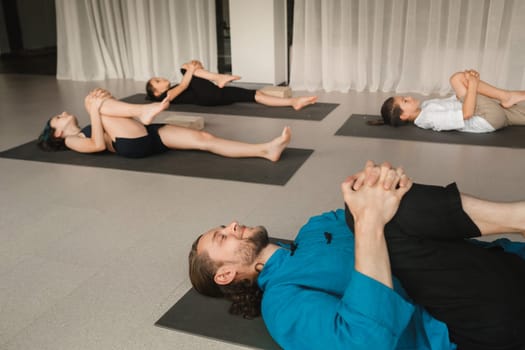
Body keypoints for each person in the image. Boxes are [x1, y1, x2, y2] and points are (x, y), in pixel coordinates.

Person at [188, 160, 525, 350]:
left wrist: (378, 182)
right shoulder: (281, 302)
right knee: (364, 215)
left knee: (365, 202)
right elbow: (362, 344)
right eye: (222, 236)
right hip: (468, 324)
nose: (231, 225)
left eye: (224, 225)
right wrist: (368, 226)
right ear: (225, 275)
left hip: (497, 264)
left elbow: (380, 204)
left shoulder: (314, 228)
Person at [37, 88, 291, 161]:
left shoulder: (92, 121)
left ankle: (264, 149)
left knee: (204, 139)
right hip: (130, 145)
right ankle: (146, 110)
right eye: (58, 117)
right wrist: (94, 109)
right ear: (58, 133)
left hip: (145, 132)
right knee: (95, 104)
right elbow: (96, 145)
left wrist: (99, 102)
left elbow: (122, 122)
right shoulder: (71, 141)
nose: (62, 112)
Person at [380, 69, 525, 132]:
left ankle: (507, 97)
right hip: (486, 117)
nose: (409, 97)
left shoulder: (426, 106)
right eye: (405, 101)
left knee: (462, 79)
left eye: (405, 97)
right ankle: (507, 96)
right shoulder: (429, 118)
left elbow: (458, 98)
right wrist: (473, 84)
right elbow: (467, 113)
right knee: (456, 79)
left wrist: (469, 82)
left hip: (491, 114)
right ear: (404, 116)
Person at [145, 60, 318, 110]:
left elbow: (193, 79)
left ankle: (293, 102)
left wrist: (195, 66)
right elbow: (183, 86)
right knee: (185, 67)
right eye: (158, 81)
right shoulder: (167, 97)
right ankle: (219, 77)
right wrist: (189, 69)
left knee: (254, 95)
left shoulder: (173, 88)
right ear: (157, 92)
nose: (161, 78)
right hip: (208, 98)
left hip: (214, 95)